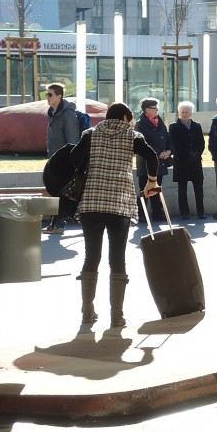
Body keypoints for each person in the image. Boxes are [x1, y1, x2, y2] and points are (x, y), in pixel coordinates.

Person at [69, 102, 160, 328]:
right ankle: (116, 316)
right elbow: (152, 157)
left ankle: (87, 312)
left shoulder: (90, 134)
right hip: (118, 205)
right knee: (117, 259)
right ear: (125, 119)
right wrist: (151, 181)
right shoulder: (133, 136)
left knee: (91, 256)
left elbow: (72, 157)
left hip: (91, 204)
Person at [44, 82, 82, 235]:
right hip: (54, 160)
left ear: (59, 96)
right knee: (56, 191)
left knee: (60, 192)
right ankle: (57, 223)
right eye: (47, 94)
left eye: (50, 94)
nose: (47, 97)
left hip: (64, 162)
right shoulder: (52, 113)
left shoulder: (68, 114)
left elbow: (73, 140)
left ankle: (58, 223)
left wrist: (70, 162)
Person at [134, 98, 173, 223]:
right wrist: (157, 153)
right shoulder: (140, 124)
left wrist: (169, 151)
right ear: (147, 110)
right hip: (146, 163)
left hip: (160, 162)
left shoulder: (160, 121)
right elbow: (142, 143)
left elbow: (167, 137)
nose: (157, 110)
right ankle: (141, 214)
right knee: (144, 188)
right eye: (154, 108)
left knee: (157, 188)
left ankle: (158, 212)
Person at [169, 100, 206, 219]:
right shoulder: (173, 126)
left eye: (187, 112)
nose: (184, 114)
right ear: (179, 113)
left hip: (195, 161)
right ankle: (184, 213)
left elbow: (201, 142)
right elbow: (174, 144)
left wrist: (196, 153)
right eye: (182, 112)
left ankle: (201, 212)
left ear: (191, 113)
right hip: (181, 161)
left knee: (198, 188)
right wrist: (187, 154)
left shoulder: (197, 125)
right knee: (182, 188)